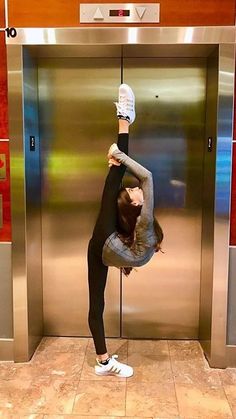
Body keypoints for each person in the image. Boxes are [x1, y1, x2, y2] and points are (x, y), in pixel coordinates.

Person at [87, 84, 163, 378]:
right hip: (107, 249)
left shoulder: (142, 220)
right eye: (133, 191)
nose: (135, 189)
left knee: (114, 177)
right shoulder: (135, 222)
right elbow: (143, 179)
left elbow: (147, 177)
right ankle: (103, 361)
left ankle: (124, 117)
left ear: (135, 205)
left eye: (132, 192)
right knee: (96, 303)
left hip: (110, 247)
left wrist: (118, 154)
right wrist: (117, 157)